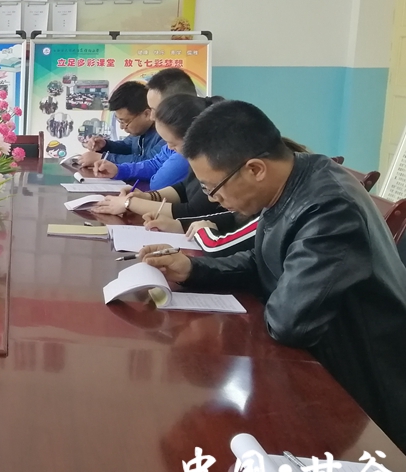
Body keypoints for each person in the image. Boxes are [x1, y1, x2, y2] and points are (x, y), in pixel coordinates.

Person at [140, 100, 406, 450]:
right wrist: (193, 268)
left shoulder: (329, 209)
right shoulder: (294, 179)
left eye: (213, 189)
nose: (214, 200)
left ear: (255, 169)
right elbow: (263, 260)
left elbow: (291, 321)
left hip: (360, 392)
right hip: (320, 366)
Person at [92, 94, 256, 257]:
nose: (169, 148)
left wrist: (130, 203)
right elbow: (186, 188)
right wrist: (177, 223)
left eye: (172, 143)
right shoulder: (201, 159)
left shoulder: (215, 161)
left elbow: (198, 213)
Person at [91, 68, 195, 189]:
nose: (152, 117)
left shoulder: (191, 142)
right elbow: (155, 163)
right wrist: (119, 170)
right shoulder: (174, 138)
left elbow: (158, 183)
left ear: (176, 107)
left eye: (154, 110)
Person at [77, 81, 164, 167]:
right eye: (119, 121)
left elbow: (149, 162)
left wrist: (104, 158)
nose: (121, 127)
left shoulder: (165, 134)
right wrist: (105, 145)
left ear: (147, 114)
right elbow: (127, 147)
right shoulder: (140, 131)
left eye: (124, 122)